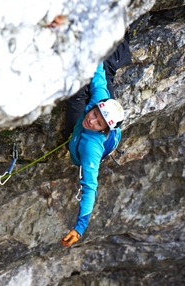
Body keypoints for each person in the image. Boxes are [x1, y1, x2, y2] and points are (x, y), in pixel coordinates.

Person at [60, 32, 131, 247]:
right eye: (94, 115)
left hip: (84, 145)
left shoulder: (90, 148)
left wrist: (79, 228)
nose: (91, 120)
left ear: (103, 130)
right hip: (88, 131)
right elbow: (99, 74)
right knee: (97, 72)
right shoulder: (99, 101)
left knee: (76, 94)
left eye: (98, 123)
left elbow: (90, 187)